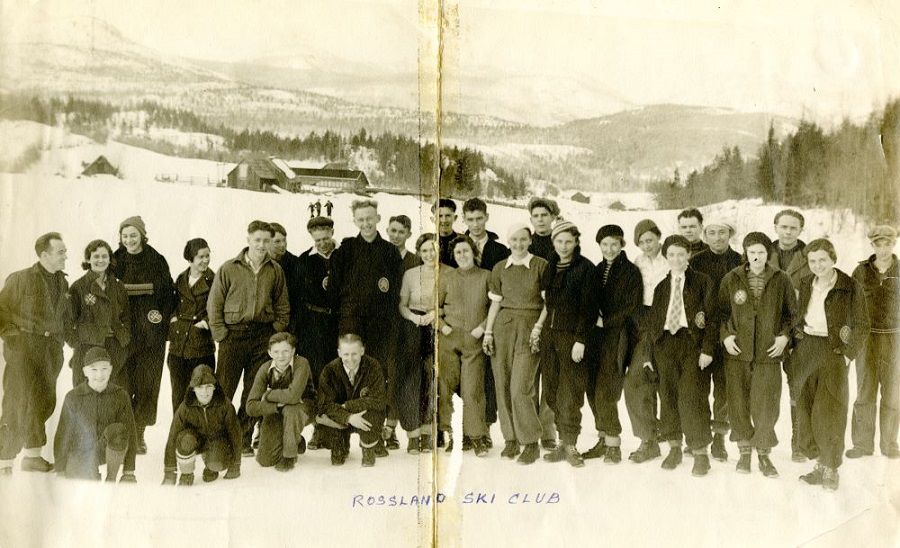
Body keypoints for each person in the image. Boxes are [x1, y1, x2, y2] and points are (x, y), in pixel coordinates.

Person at [718, 232, 798, 477]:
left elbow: (792, 315)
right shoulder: (731, 278)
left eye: (761, 252)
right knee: (738, 402)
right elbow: (721, 313)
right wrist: (727, 336)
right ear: (745, 253)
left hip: (767, 353)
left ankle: (763, 453)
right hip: (738, 353)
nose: (756, 257)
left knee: (766, 405)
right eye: (752, 252)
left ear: (768, 254)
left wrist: (785, 337)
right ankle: (743, 452)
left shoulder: (781, 278)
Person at [208, 220, 290, 456]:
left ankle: (243, 438)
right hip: (233, 336)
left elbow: (283, 306)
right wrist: (221, 334)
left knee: (253, 391)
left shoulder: (275, 270)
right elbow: (215, 303)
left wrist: (274, 331)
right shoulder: (229, 268)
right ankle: (217, 437)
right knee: (223, 388)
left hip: (262, 337)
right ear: (248, 240)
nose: (262, 245)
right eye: (257, 240)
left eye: (267, 241)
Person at [636, 235, 716, 477]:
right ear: (666, 257)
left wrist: (708, 349)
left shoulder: (702, 281)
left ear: (689, 255)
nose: (676, 259)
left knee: (692, 397)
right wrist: (650, 354)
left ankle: (700, 452)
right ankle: (674, 447)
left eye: (681, 254)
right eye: (671, 254)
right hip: (665, 345)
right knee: (668, 395)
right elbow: (652, 323)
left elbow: (713, 319)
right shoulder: (661, 286)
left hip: (691, 344)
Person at [795, 239, 869, 491]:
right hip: (807, 350)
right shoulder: (806, 284)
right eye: (812, 261)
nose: (817, 266)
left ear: (833, 259)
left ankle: (831, 468)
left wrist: (847, 355)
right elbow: (798, 316)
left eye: (822, 260)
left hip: (833, 351)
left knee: (830, 410)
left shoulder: (850, 286)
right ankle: (818, 463)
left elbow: (862, 325)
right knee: (805, 408)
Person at [329, 199, 401, 457]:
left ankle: (373, 437)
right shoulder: (346, 250)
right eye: (361, 219)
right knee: (348, 374)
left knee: (376, 377)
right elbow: (336, 288)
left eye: (370, 218)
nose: (366, 223)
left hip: (381, 324)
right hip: (352, 320)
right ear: (355, 221)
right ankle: (341, 438)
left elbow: (394, 291)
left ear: (378, 218)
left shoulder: (390, 251)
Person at [0, 233, 69, 475]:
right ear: (44, 255)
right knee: (16, 403)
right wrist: (13, 337)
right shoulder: (20, 279)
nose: (65, 256)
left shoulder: (63, 282)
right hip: (23, 349)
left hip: (50, 351)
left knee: (43, 402)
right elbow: (2, 310)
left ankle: (32, 457)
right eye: (61, 252)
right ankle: (3, 460)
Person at [483, 223, 548, 465]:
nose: (518, 244)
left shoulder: (540, 266)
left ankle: (530, 442)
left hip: (530, 327)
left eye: (523, 239)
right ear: (508, 242)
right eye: (514, 240)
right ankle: (511, 440)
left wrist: (538, 328)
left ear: (530, 240)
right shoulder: (500, 268)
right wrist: (488, 332)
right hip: (503, 328)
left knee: (521, 387)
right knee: (502, 383)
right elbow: (495, 304)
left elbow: (548, 304)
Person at [112, 216, 176, 455]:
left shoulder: (156, 260)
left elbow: (167, 293)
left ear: (142, 235)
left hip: (150, 335)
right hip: (123, 335)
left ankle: (138, 433)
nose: (129, 240)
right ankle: (123, 432)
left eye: (133, 235)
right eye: (125, 236)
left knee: (147, 384)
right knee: (122, 382)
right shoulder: (115, 259)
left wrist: (159, 318)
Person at [537, 221, 597, 468]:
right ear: (553, 242)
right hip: (550, 337)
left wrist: (580, 339)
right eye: (559, 241)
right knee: (551, 389)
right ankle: (562, 442)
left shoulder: (586, 269)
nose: (563, 246)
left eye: (568, 241)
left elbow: (589, 309)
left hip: (572, 337)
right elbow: (546, 303)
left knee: (570, 391)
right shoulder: (550, 266)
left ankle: (571, 443)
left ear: (576, 242)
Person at [583, 225, 642, 464]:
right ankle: (602, 437)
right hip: (596, 337)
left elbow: (632, 307)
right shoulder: (597, 270)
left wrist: (605, 321)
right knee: (592, 387)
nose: (609, 249)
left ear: (622, 245)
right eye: (604, 245)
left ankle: (614, 444)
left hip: (618, 336)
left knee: (607, 389)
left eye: (614, 244)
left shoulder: (630, 271)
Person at [689, 219, 742, 461]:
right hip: (702, 334)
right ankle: (699, 435)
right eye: (712, 233)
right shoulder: (696, 261)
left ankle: (719, 437)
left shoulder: (740, 260)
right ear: (705, 235)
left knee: (724, 388)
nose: (717, 237)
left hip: (730, 333)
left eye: (722, 233)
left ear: (730, 235)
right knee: (698, 386)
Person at [848, 225, 900, 459]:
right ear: (872, 246)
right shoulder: (860, 272)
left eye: (887, 243)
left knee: (892, 393)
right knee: (865, 390)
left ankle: (889, 444)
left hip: (894, 337)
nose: (882, 249)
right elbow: (850, 304)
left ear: (894, 244)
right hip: (867, 338)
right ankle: (861, 445)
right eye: (878, 244)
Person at [462, 198, 510, 449]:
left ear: (487, 217)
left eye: (479, 218)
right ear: (464, 220)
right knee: (466, 375)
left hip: (492, 316)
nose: (476, 224)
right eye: (470, 219)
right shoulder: (457, 245)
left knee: (490, 375)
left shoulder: (500, 250)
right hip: (464, 317)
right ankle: (466, 428)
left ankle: (487, 427)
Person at [438, 235, 492, 457]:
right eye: (458, 252)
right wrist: (442, 326)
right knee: (446, 388)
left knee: (473, 389)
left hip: (474, 341)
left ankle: (477, 436)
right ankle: (453, 435)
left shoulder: (486, 276)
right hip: (449, 340)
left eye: (466, 251)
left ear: (474, 252)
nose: (462, 255)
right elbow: (436, 307)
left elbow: (494, 307)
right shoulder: (446, 277)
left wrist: (482, 327)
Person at [768, 209, 813, 462]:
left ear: (800, 230)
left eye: (793, 228)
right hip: (768, 330)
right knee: (765, 387)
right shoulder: (762, 251)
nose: (787, 232)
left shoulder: (810, 257)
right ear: (775, 227)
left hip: (799, 332)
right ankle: (761, 442)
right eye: (783, 226)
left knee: (798, 387)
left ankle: (799, 442)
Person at [53, 347, 137, 482]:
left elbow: (130, 433)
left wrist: (129, 471)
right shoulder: (73, 397)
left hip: (105, 449)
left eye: (104, 369)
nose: (99, 375)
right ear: (85, 371)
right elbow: (63, 435)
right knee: (87, 489)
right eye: (94, 369)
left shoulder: (120, 395)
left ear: (110, 369)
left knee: (118, 430)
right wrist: (60, 469)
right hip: (80, 452)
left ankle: (111, 478)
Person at [293, 216, 339, 450]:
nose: (322, 243)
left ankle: (337, 430)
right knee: (319, 377)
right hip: (314, 326)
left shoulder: (343, 256)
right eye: (317, 239)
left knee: (338, 376)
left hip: (338, 323)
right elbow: (298, 300)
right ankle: (319, 430)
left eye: (326, 237)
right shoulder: (304, 261)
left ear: (332, 232)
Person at [624, 220, 668, 463]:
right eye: (641, 242)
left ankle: (670, 435)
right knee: (637, 380)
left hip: (668, 322)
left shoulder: (669, 257)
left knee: (665, 380)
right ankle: (648, 439)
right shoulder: (637, 262)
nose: (646, 245)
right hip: (643, 323)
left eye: (650, 239)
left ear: (658, 237)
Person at [396, 234, 445, 453]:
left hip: (436, 327)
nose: (429, 254)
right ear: (419, 252)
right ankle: (413, 434)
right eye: (424, 250)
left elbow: (450, 302)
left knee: (430, 378)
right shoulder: (410, 274)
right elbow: (402, 304)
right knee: (411, 380)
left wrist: (435, 313)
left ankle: (427, 433)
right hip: (412, 329)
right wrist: (414, 318)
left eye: (432, 249)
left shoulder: (446, 273)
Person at [163, 364, 242, 486]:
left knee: (216, 463)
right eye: (200, 387)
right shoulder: (185, 407)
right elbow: (172, 436)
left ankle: (211, 467)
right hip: (196, 441)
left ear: (215, 387)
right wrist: (169, 471)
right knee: (185, 440)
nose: (204, 392)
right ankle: (187, 473)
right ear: (193, 388)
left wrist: (236, 464)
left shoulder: (224, 405)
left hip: (217, 442)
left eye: (208, 386)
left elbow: (235, 433)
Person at [64, 239, 130, 387]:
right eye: (96, 256)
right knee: (85, 395)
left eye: (104, 256)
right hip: (87, 348)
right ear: (88, 259)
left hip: (114, 347)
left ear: (110, 259)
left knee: (114, 393)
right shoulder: (78, 287)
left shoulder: (118, 286)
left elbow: (126, 316)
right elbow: (68, 320)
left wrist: (124, 339)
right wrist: (77, 343)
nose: (100, 260)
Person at [246, 333, 316, 471]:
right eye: (276, 352)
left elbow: (293, 396)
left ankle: (289, 456)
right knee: (265, 460)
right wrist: (275, 406)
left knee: (291, 408)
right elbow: (250, 406)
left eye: (286, 351)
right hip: (278, 409)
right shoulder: (265, 369)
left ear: (293, 351)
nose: (281, 356)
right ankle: (297, 440)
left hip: (304, 407)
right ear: (269, 353)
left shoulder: (301, 363)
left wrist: (269, 394)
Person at [316, 334, 387, 467]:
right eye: (346, 354)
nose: (350, 359)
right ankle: (339, 443)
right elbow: (324, 404)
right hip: (340, 415)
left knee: (374, 411)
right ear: (339, 353)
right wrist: (348, 418)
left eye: (354, 354)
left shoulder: (373, 366)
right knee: (325, 416)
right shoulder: (329, 370)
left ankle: (369, 446)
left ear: (362, 351)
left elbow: (378, 399)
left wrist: (348, 406)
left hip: (362, 414)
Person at [166, 238, 216, 413]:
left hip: (201, 347)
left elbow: (221, 306)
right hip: (178, 347)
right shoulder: (181, 279)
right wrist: (173, 320)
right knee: (178, 396)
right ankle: (179, 435)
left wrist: (206, 323)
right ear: (190, 259)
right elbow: (171, 305)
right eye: (201, 256)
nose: (206, 260)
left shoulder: (214, 281)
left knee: (202, 394)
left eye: (208, 256)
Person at [526, 197, 561, 450]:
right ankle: (529, 428)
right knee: (529, 373)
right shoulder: (524, 242)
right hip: (529, 312)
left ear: (552, 217)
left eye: (544, 215)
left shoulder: (560, 243)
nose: (540, 219)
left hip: (554, 314)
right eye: (536, 215)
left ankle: (548, 430)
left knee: (550, 373)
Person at [434, 198, 461, 267]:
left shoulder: (463, 241)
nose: (444, 220)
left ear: (455, 218)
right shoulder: (428, 241)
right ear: (434, 219)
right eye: (440, 216)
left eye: (448, 216)